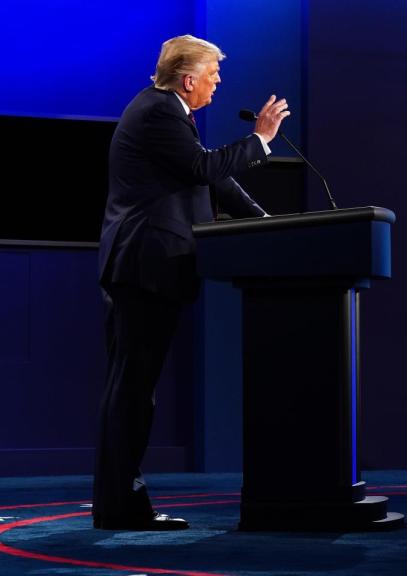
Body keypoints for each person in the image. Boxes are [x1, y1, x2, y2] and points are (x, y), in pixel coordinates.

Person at [94, 35, 290, 530]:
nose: (218, 84)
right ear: (188, 80)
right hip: (143, 266)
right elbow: (204, 167)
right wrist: (261, 140)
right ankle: (119, 506)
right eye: (213, 76)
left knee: (135, 388)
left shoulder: (166, 113)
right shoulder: (160, 112)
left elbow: (212, 180)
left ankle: (121, 503)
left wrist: (269, 221)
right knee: (132, 389)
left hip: (146, 267)